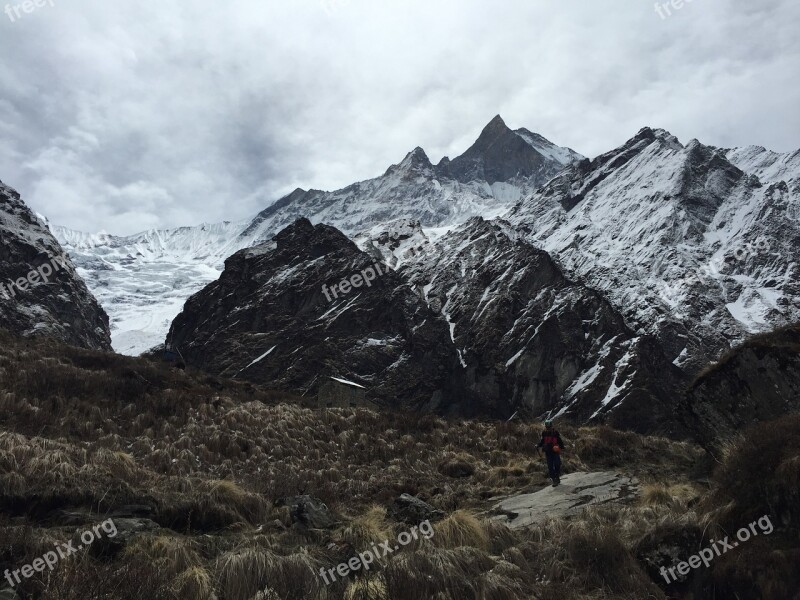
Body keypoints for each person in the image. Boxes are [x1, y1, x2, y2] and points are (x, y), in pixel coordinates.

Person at [537, 419, 565, 486]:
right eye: (546, 426)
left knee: (557, 464)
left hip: (555, 452)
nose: (547, 427)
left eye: (548, 426)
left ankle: (557, 477)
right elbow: (542, 441)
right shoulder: (544, 433)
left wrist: (562, 447)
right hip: (548, 452)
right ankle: (554, 479)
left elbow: (559, 440)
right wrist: (538, 445)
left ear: (551, 425)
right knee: (550, 466)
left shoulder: (555, 432)